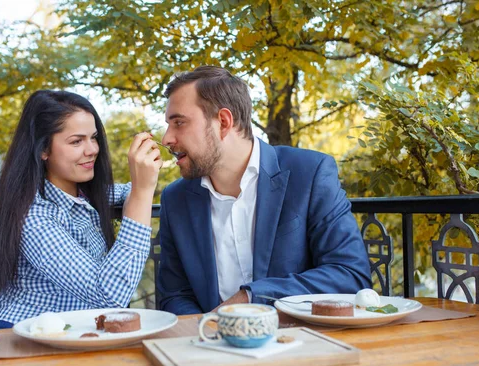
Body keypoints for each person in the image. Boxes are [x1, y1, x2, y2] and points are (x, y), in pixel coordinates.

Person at [157, 66, 371, 315]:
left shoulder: (310, 173)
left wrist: (251, 298)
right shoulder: (175, 200)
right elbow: (175, 295)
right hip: (210, 346)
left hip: (302, 343)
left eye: (179, 123)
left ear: (223, 122)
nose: (166, 139)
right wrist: (205, 330)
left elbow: (350, 276)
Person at [0, 90, 162, 329]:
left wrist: (139, 190)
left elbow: (129, 190)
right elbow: (108, 295)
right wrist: (141, 193)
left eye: (93, 137)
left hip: (73, 333)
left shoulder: (85, 196)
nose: (92, 150)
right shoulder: (36, 216)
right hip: (21, 333)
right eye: (76, 141)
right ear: (43, 150)